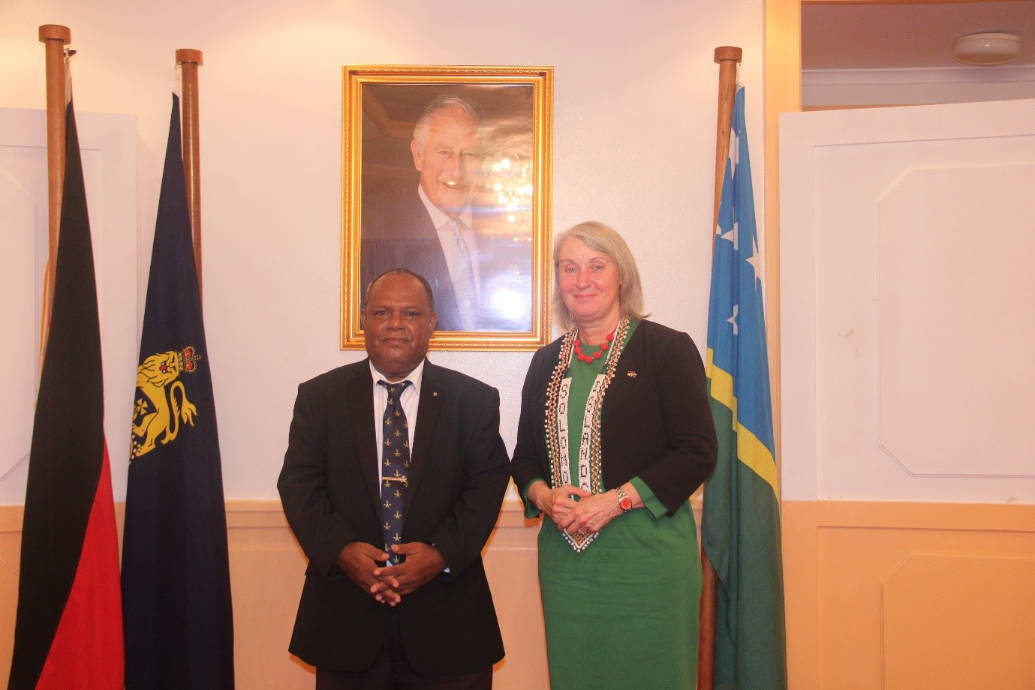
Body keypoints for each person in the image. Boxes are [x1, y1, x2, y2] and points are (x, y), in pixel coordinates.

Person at [510, 221, 718, 689]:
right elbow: (523, 459)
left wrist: (615, 500)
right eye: (569, 269)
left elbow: (698, 451)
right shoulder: (545, 362)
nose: (582, 281)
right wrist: (544, 497)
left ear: (621, 275)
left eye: (596, 267)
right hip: (569, 570)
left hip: (649, 562)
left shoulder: (665, 349)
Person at [278, 268, 509, 689]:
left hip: (449, 624)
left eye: (411, 313)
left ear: (432, 322)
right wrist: (344, 552)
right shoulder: (320, 397)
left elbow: (486, 487)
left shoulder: (474, 400)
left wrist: (439, 555)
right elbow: (298, 486)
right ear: (363, 318)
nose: (396, 325)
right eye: (383, 312)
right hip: (346, 621)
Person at [361, 95, 530, 333]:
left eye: (469, 154)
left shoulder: (509, 233)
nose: (456, 170)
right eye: (444, 152)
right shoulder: (376, 235)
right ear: (418, 155)